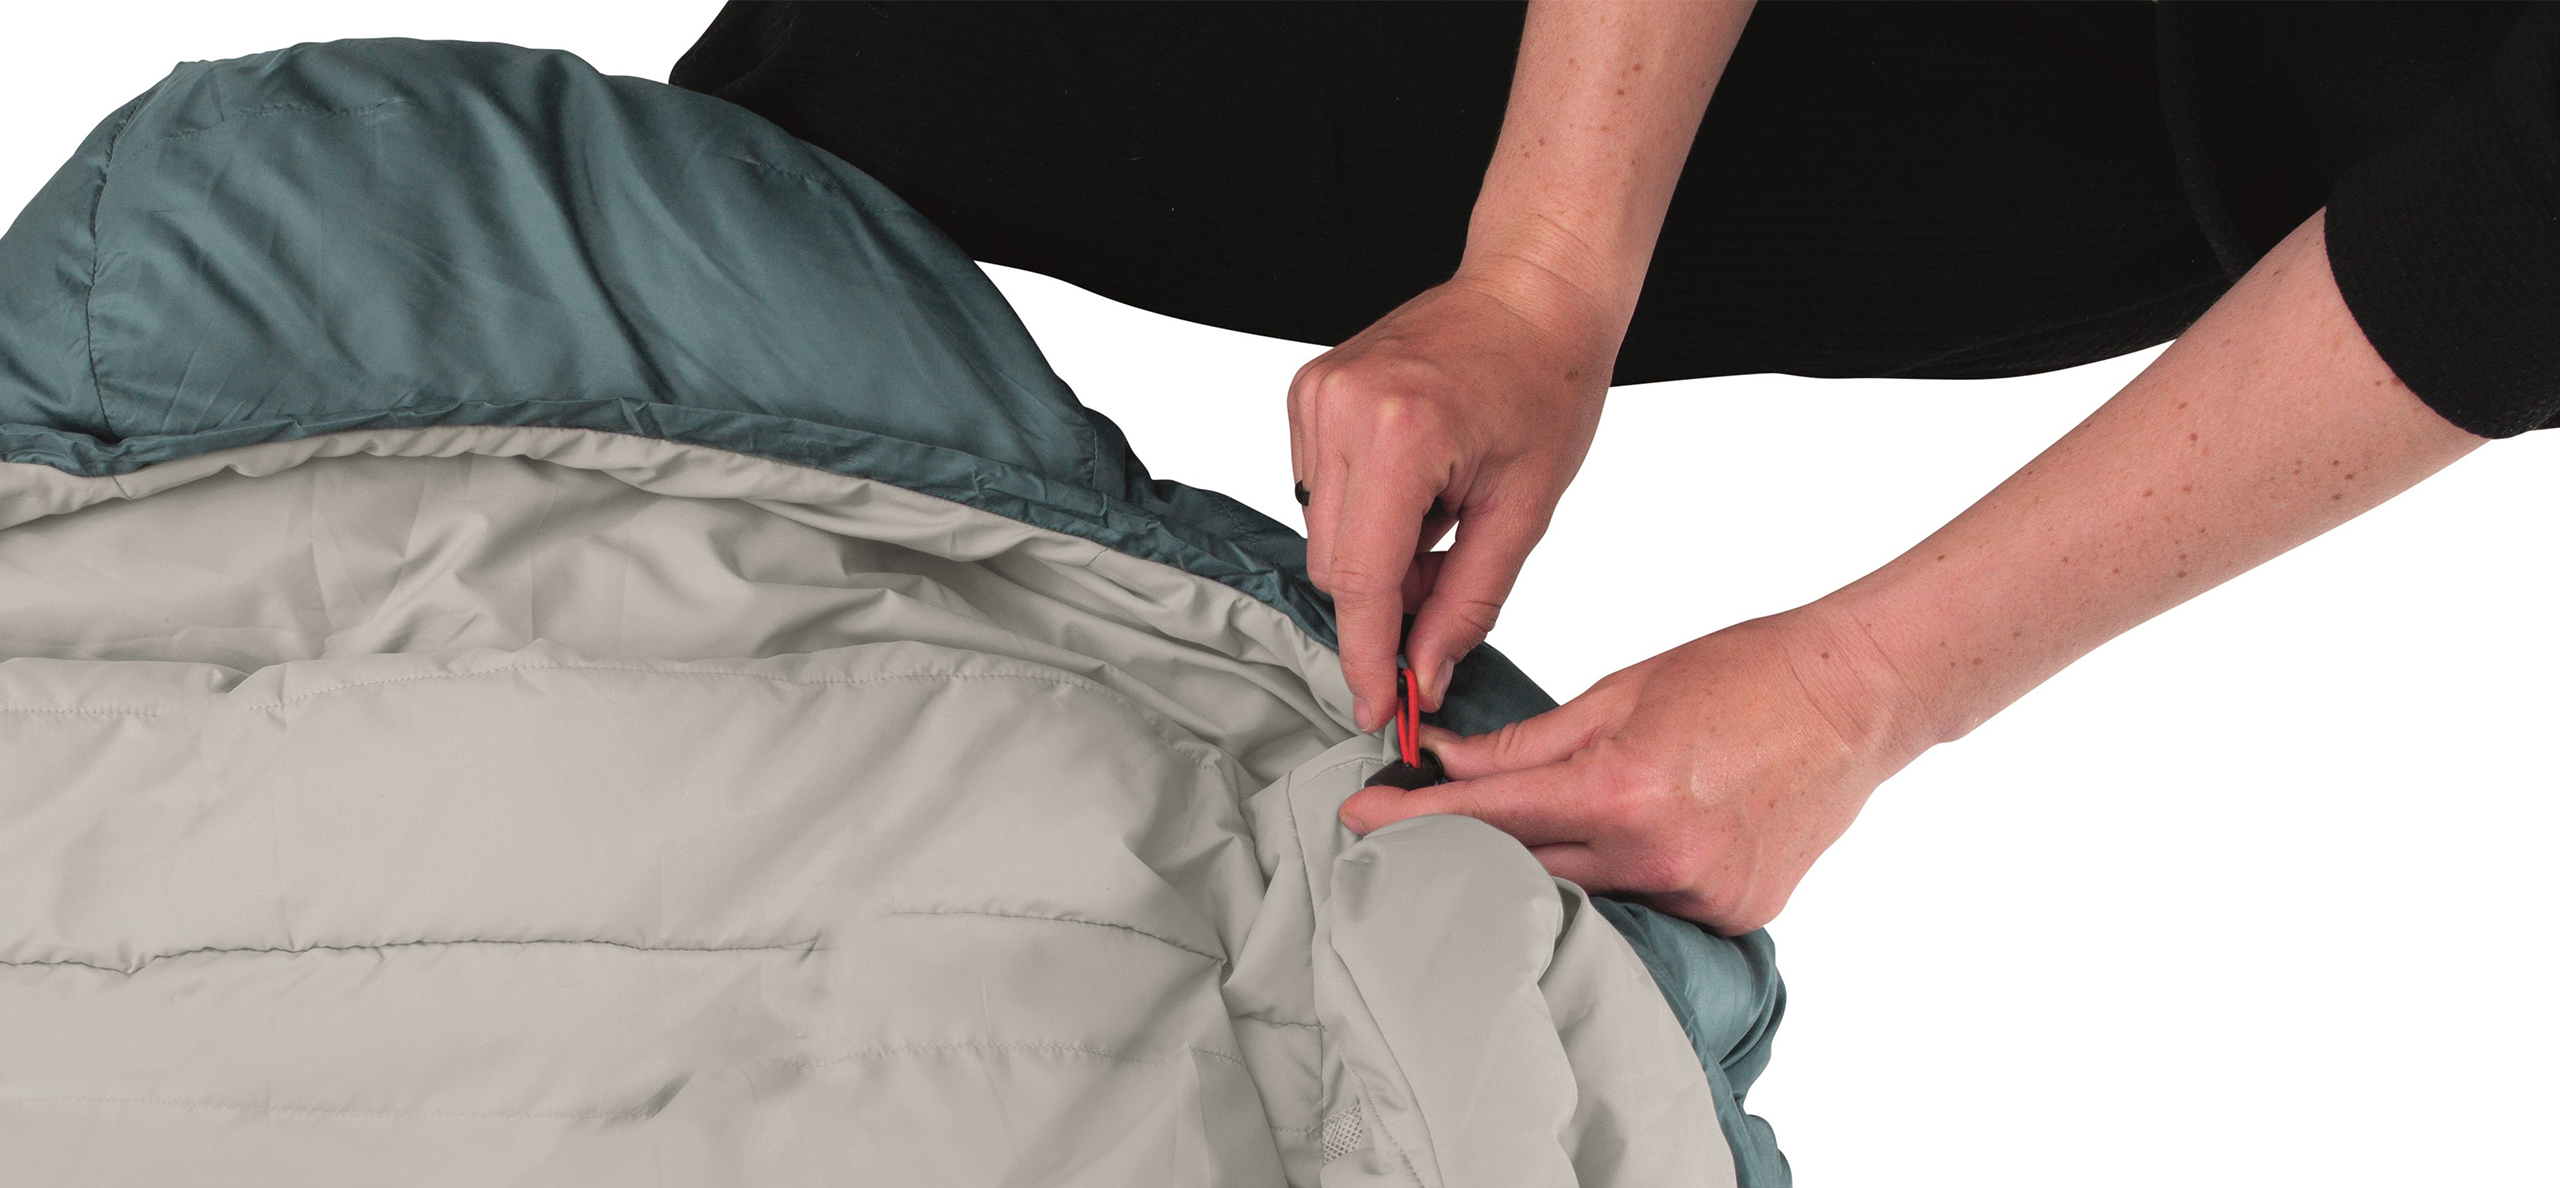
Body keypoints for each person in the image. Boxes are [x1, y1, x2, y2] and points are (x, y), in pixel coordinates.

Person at [674, 2, 2557, 932]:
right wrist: (1540, 275)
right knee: (812, 112)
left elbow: (2523, 216)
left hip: (2199, 96)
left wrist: (1857, 690)